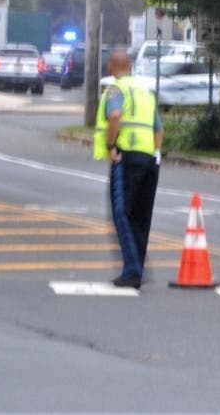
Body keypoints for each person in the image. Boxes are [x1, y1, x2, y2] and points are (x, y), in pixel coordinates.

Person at [93, 49, 164, 289]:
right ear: (131, 66)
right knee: (140, 217)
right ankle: (138, 266)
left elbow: (115, 116)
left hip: (126, 157)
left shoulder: (115, 89)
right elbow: (159, 129)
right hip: (148, 159)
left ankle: (133, 271)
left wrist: (112, 145)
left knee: (122, 213)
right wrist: (156, 155)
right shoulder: (145, 92)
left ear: (112, 67)